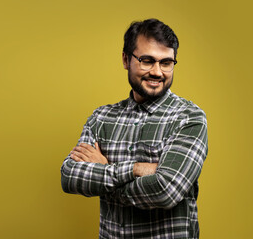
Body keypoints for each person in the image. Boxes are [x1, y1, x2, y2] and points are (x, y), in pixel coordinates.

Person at [61, 18, 208, 239]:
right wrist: (135, 169)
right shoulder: (101, 118)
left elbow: (166, 190)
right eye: (147, 61)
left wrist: (106, 173)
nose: (157, 72)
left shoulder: (189, 118)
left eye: (166, 63)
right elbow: (69, 176)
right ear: (125, 59)